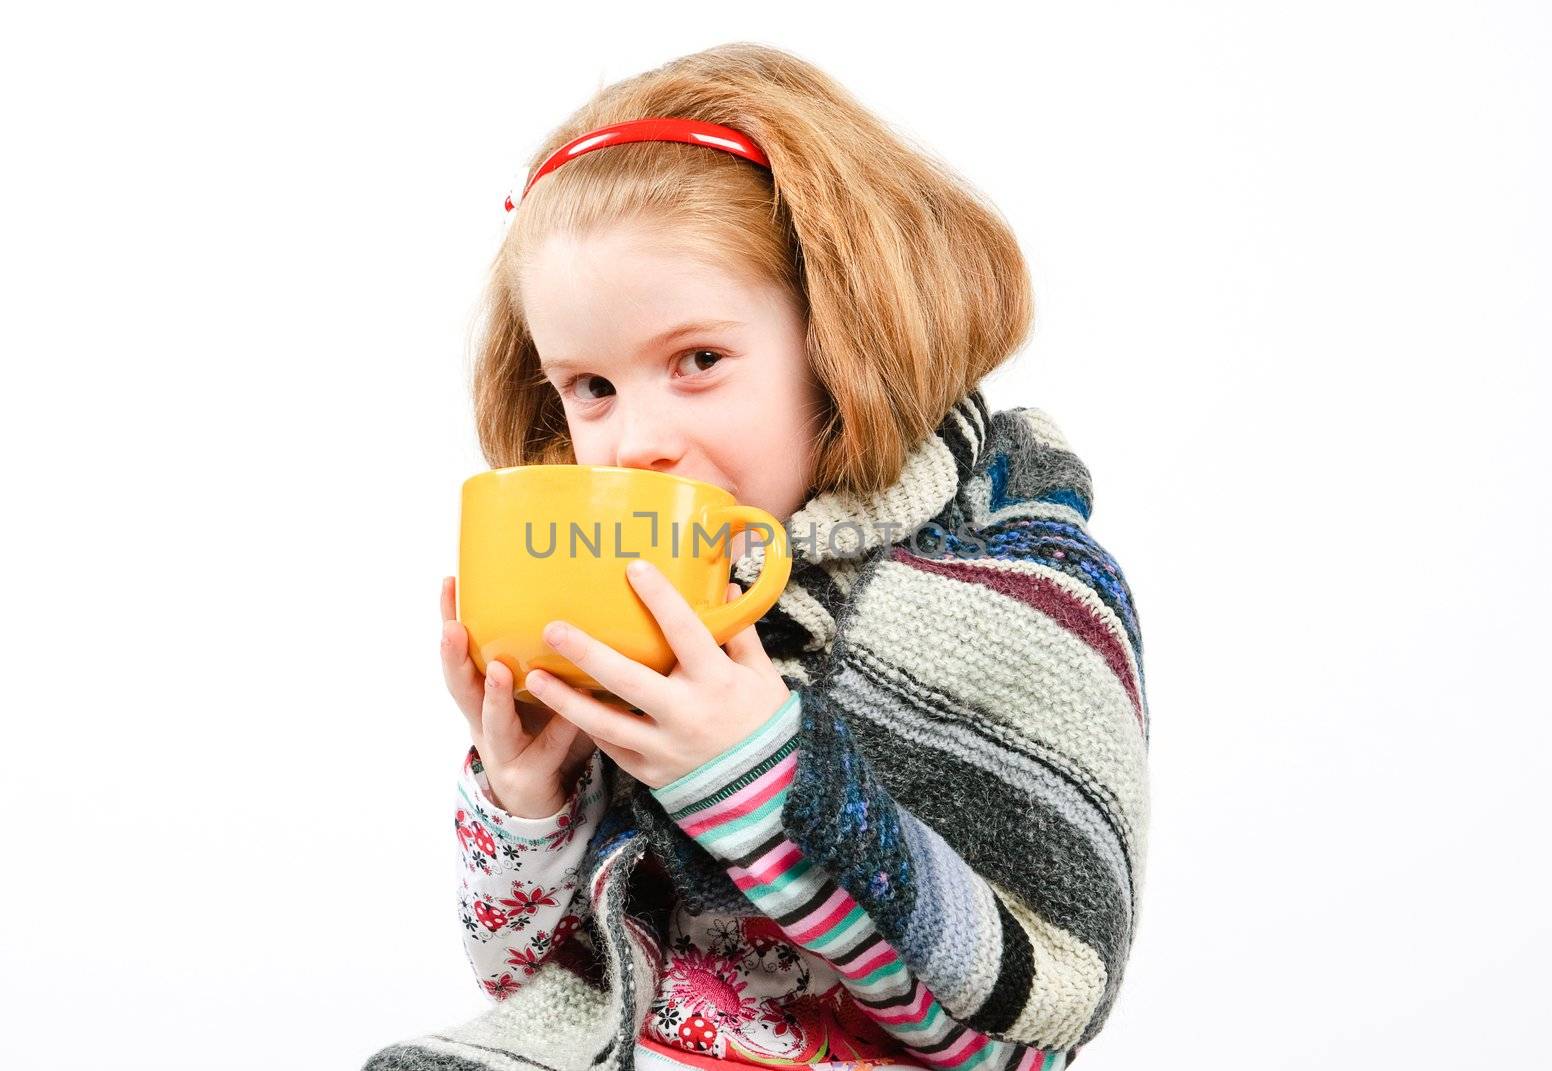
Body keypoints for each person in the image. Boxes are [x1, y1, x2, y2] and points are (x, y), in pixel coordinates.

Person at [361, 42, 1149, 1071]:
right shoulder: (644, 597)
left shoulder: (1022, 588)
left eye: (696, 361)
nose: (634, 439)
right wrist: (528, 798)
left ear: (842, 339)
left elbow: (1018, 1033)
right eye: (589, 386)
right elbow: (535, 989)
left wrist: (758, 774)